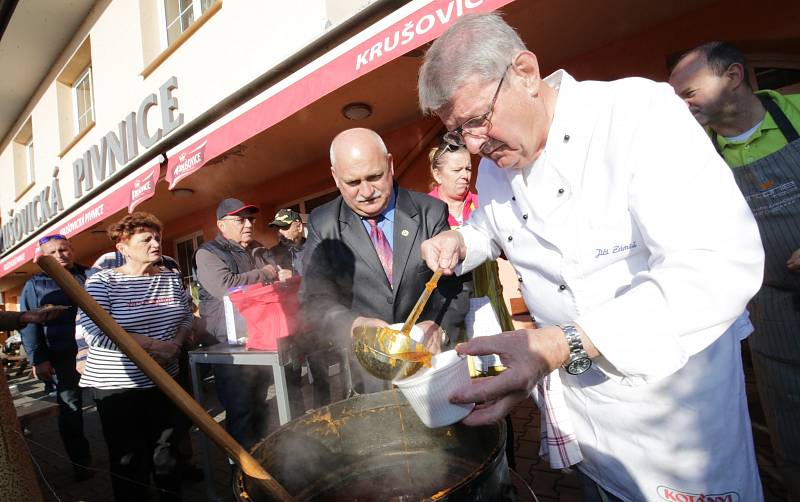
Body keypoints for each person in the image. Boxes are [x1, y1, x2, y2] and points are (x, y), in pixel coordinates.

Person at [417, 14, 764, 501]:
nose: (474, 145)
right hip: (584, 413)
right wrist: (462, 242)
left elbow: (716, 265)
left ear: (525, 72)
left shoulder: (636, 114)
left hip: (673, 416)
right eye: (459, 132)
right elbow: (491, 229)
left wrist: (560, 347)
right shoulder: (497, 168)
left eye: (478, 119)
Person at [669, 41, 800, 500]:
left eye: (688, 93)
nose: (682, 107)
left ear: (733, 77)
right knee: (788, 418)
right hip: (769, 308)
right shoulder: (696, 156)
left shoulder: (797, 113)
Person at [300, 127, 470, 394]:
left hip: (429, 365)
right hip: (368, 374)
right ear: (335, 177)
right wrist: (356, 326)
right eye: (353, 182)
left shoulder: (430, 211)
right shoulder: (323, 223)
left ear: (390, 164)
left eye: (375, 177)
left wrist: (439, 326)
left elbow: (456, 285)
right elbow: (313, 300)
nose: (366, 191)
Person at [80, 212, 191, 501]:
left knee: (167, 451)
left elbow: (186, 317)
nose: (156, 244)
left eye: (158, 238)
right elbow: (97, 334)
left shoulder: (170, 277)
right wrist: (156, 345)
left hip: (165, 381)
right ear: (123, 247)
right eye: (146, 239)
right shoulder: (102, 283)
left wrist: (175, 345)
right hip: (118, 387)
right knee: (129, 457)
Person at [194, 198, 277, 450]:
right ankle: (241, 473)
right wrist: (265, 274)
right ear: (222, 225)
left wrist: (278, 274)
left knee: (259, 403)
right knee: (240, 409)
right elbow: (225, 286)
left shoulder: (256, 249)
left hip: (257, 338)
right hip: (227, 346)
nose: (248, 224)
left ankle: (264, 463)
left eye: (250, 219)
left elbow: (272, 283)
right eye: (240, 220)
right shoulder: (208, 253)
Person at [19, 234, 92, 481]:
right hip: (62, 358)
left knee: (110, 402)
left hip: (96, 354)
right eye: (53, 252)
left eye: (64, 249)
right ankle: (82, 465)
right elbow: (28, 326)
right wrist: (38, 359)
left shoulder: (90, 275)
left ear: (71, 250)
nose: (60, 255)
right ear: (42, 258)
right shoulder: (35, 285)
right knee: (71, 410)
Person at [268, 208, 306, 278]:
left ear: (299, 227)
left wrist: (295, 277)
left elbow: (324, 279)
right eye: (278, 228)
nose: (280, 233)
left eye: (285, 227)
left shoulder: (315, 249)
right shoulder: (272, 253)